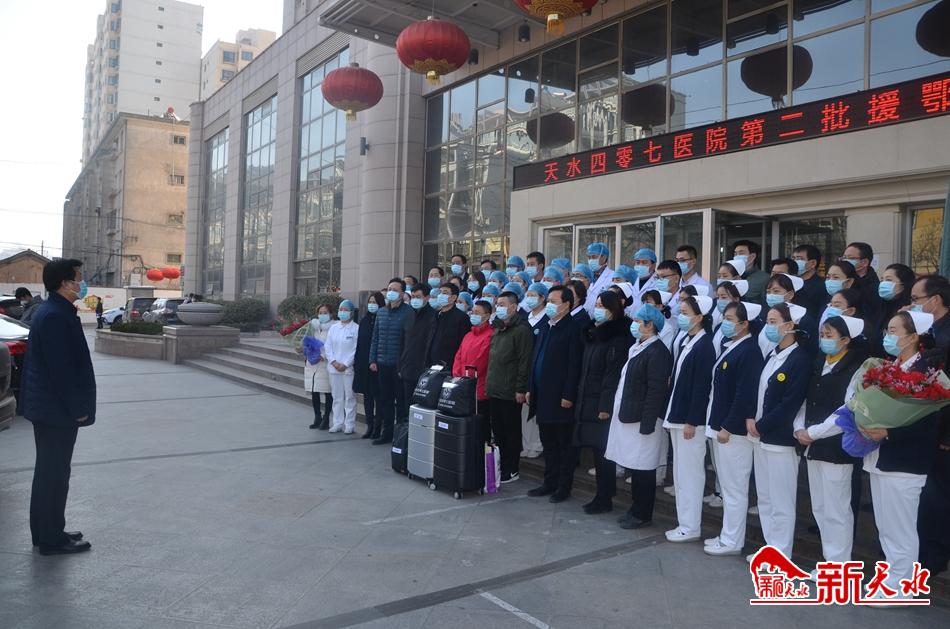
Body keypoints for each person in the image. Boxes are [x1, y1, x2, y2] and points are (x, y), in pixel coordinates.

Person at [21, 259, 95, 555]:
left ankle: (46, 530)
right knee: (54, 474)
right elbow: (61, 370)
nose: (82, 283)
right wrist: (77, 408)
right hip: (55, 411)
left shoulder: (56, 311)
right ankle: (51, 539)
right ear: (64, 283)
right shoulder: (54, 316)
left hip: (50, 408)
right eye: (78, 278)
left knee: (50, 472)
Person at [865, 311, 940, 595]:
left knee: (901, 527)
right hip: (880, 457)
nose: (888, 336)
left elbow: (928, 423)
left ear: (913, 337)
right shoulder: (887, 368)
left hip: (905, 461)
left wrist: (889, 432)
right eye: (887, 329)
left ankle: (903, 586)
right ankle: (891, 579)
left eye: (894, 331)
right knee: (885, 525)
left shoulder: (927, 373)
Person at [794, 316, 867, 567]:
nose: (824, 340)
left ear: (845, 340)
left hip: (836, 448)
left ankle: (839, 566)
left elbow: (846, 411)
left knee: (837, 510)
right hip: (812, 445)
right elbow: (805, 400)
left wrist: (813, 432)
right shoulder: (819, 362)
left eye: (830, 335)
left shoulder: (856, 370)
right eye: (822, 335)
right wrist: (799, 428)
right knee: (821, 508)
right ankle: (829, 561)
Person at [748, 302, 811, 560]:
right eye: (768, 321)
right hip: (761, 437)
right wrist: (753, 420)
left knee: (781, 500)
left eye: (774, 322)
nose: (769, 327)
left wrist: (761, 425)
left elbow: (790, 404)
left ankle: (781, 554)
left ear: (790, 325)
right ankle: (769, 547)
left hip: (780, 438)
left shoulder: (800, 360)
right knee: (765, 496)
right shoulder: (773, 354)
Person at [704, 302, 765, 556]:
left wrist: (727, 426)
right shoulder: (733, 346)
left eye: (730, 319)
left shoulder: (749, 351)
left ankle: (732, 540)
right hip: (721, 425)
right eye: (725, 317)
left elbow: (744, 394)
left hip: (734, 432)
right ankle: (727, 535)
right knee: (728, 487)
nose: (725, 322)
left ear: (744, 324)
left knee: (734, 488)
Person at [605, 303, 672, 529]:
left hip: (644, 420)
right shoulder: (638, 347)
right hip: (629, 415)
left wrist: (647, 423)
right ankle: (634, 508)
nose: (634, 325)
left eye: (637, 321)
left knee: (644, 467)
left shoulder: (658, 352)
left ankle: (643, 513)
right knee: (635, 464)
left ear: (650, 325)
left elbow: (656, 391)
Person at [663, 295, 716, 542]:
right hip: (677, 415)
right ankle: (684, 522)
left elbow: (701, 387)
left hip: (690, 421)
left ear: (700, 317)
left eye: (686, 313)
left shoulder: (704, 346)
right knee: (681, 474)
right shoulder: (687, 340)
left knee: (690, 474)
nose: (681, 317)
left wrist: (692, 420)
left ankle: (690, 525)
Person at [574, 291, 632, 515]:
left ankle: (605, 496)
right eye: (596, 305)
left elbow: (611, 374)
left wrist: (605, 406)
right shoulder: (594, 333)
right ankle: (601, 494)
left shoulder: (617, 337)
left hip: (601, 403)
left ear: (613, 309)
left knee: (602, 452)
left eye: (603, 306)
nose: (598, 309)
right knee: (596, 450)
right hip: (588, 397)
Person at [528, 286, 582, 501]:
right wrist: (531, 388)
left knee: (564, 446)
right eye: (548, 300)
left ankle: (563, 487)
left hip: (560, 398)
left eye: (553, 301)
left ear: (566, 305)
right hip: (542, 395)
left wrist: (568, 394)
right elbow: (536, 359)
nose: (549, 304)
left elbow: (574, 366)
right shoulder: (546, 326)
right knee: (548, 443)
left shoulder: (573, 329)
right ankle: (549, 482)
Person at [486, 291, 534, 483]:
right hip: (495, 387)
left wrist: (520, 389)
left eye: (503, 304)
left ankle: (512, 468)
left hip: (510, 390)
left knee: (511, 431)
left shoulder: (521, 329)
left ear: (513, 307)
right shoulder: (498, 327)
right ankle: (502, 464)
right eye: (497, 304)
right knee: (498, 431)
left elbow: (524, 361)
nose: (498, 307)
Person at [369, 278, 413, 445]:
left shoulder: (409, 312)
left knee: (400, 402)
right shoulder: (381, 312)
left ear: (402, 294)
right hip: (382, 363)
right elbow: (375, 338)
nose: (391, 292)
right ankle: (386, 433)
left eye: (395, 290)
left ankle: (400, 436)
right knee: (385, 400)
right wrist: (373, 359)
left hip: (399, 365)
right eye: (389, 289)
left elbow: (409, 341)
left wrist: (404, 364)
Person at [453, 300, 495, 444]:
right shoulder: (468, 335)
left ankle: (485, 454)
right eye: (473, 312)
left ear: (487, 316)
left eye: (477, 313)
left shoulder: (490, 335)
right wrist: (458, 375)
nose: (473, 315)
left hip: (479, 388)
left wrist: (467, 379)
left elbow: (481, 361)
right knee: (468, 426)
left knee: (482, 426)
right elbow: (458, 356)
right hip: (464, 386)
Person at [399, 284, 437, 418]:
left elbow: (429, 344)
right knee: (407, 405)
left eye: (418, 297)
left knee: (422, 408)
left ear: (427, 297)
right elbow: (402, 341)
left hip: (424, 370)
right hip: (408, 367)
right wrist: (400, 365)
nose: (415, 300)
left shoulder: (433, 316)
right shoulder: (408, 314)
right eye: (413, 297)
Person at [522, 282, 549, 459]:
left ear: (542, 298)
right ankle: (526, 443)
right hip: (524, 368)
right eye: (528, 295)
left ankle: (537, 445)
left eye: (534, 295)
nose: (530, 298)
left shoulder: (547, 319)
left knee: (537, 409)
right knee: (525, 411)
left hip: (538, 369)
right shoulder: (525, 317)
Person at [759, 274, 817, 357]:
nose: (771, 295)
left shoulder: (803, 320)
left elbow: (810, 350)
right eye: (768, 292)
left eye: (776, 291)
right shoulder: (768, 316)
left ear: (790, 295)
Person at [325, 300, 358, 434]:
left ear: (351, 312)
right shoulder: (333, 328)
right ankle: (337, 422)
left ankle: (349, 424)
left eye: (346, 310)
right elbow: (328, 346)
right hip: (334, 368)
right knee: (337, 397)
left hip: (348, 369)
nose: (343, 312)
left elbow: (356, 349)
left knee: (350, 397)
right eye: (341, 310)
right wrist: (333, 362)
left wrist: (346, 364)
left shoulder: (356, 328)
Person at [354, 292, 383, 439]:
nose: (372, 305)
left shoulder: (382, 319)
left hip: (377, 365)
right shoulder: (364, 321)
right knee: (367, 398)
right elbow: (360, 343)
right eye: (370, 302)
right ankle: (369, 425)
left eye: (375, 302)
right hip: (364, 364)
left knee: (378, 397)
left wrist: (375, 360)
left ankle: (378, 426)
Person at [425, 283, 470, 372]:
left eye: (445, 293)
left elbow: (463, 345)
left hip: (449, 366)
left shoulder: (461, 318)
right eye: (440, 292)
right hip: (431, 365)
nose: (441, 295)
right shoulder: (435, 315)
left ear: (453, 297)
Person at [305, 304, 336, 430]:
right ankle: (317, 416)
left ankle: (326, 418)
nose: (322, 315)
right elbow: (307, 342)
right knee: (314, 390)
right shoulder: (313, 326)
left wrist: (324, 356)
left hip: (326, 363)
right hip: (312, 362)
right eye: (320, 313)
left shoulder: (334, 327)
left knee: (328, 391)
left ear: (331, 314)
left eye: (325, 312)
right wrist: (304, 350)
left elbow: (335, 345)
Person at [842, 242, 882, 332]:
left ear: (864, 262)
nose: (845, 261)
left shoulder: (874, 289)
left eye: (850, 258)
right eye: (844, 257)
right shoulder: (842, 282)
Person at [877, 263, 915, 337]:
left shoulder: (911, 311)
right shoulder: (880, 308)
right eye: (882, 280)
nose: (883, 284)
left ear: (903, 284)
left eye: (888, 280)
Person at [792, 244, 826, 320]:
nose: (794, 262)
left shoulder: (823, 286)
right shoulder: (790, 282)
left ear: (813, 263)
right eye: (793, 258)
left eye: (799, 259)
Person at [584, 242, 615, 314]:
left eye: (594, 257)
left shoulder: (612, 277)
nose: (591, 260)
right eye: (589, 257)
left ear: (604, 257)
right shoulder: (587, 275)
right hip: (585, 316)